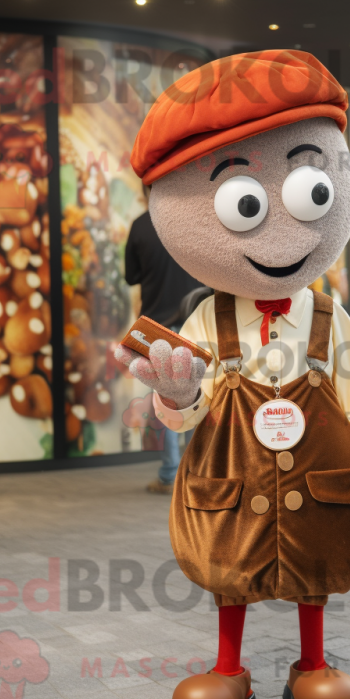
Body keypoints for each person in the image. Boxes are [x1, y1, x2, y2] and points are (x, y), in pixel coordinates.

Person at [117, 50, 350, 699]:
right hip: (231, 488)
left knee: (317, 562)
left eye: (308, 193)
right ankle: (228, 667)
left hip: (319, 486)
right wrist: (179, 396)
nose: (278, 232)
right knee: (228, 568)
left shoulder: (330, 319)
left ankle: (312, 663)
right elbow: (187, 416)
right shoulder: (206, 320)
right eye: (245, 204)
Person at [124, 186, 202, 494]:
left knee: (166, 401)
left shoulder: (141, 225)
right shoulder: (194, 221)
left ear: (145, 192)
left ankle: (170, 475)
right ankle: (198, 475)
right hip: (197, 322)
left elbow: (131, 276)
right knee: (197, 398)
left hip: (157, 328)